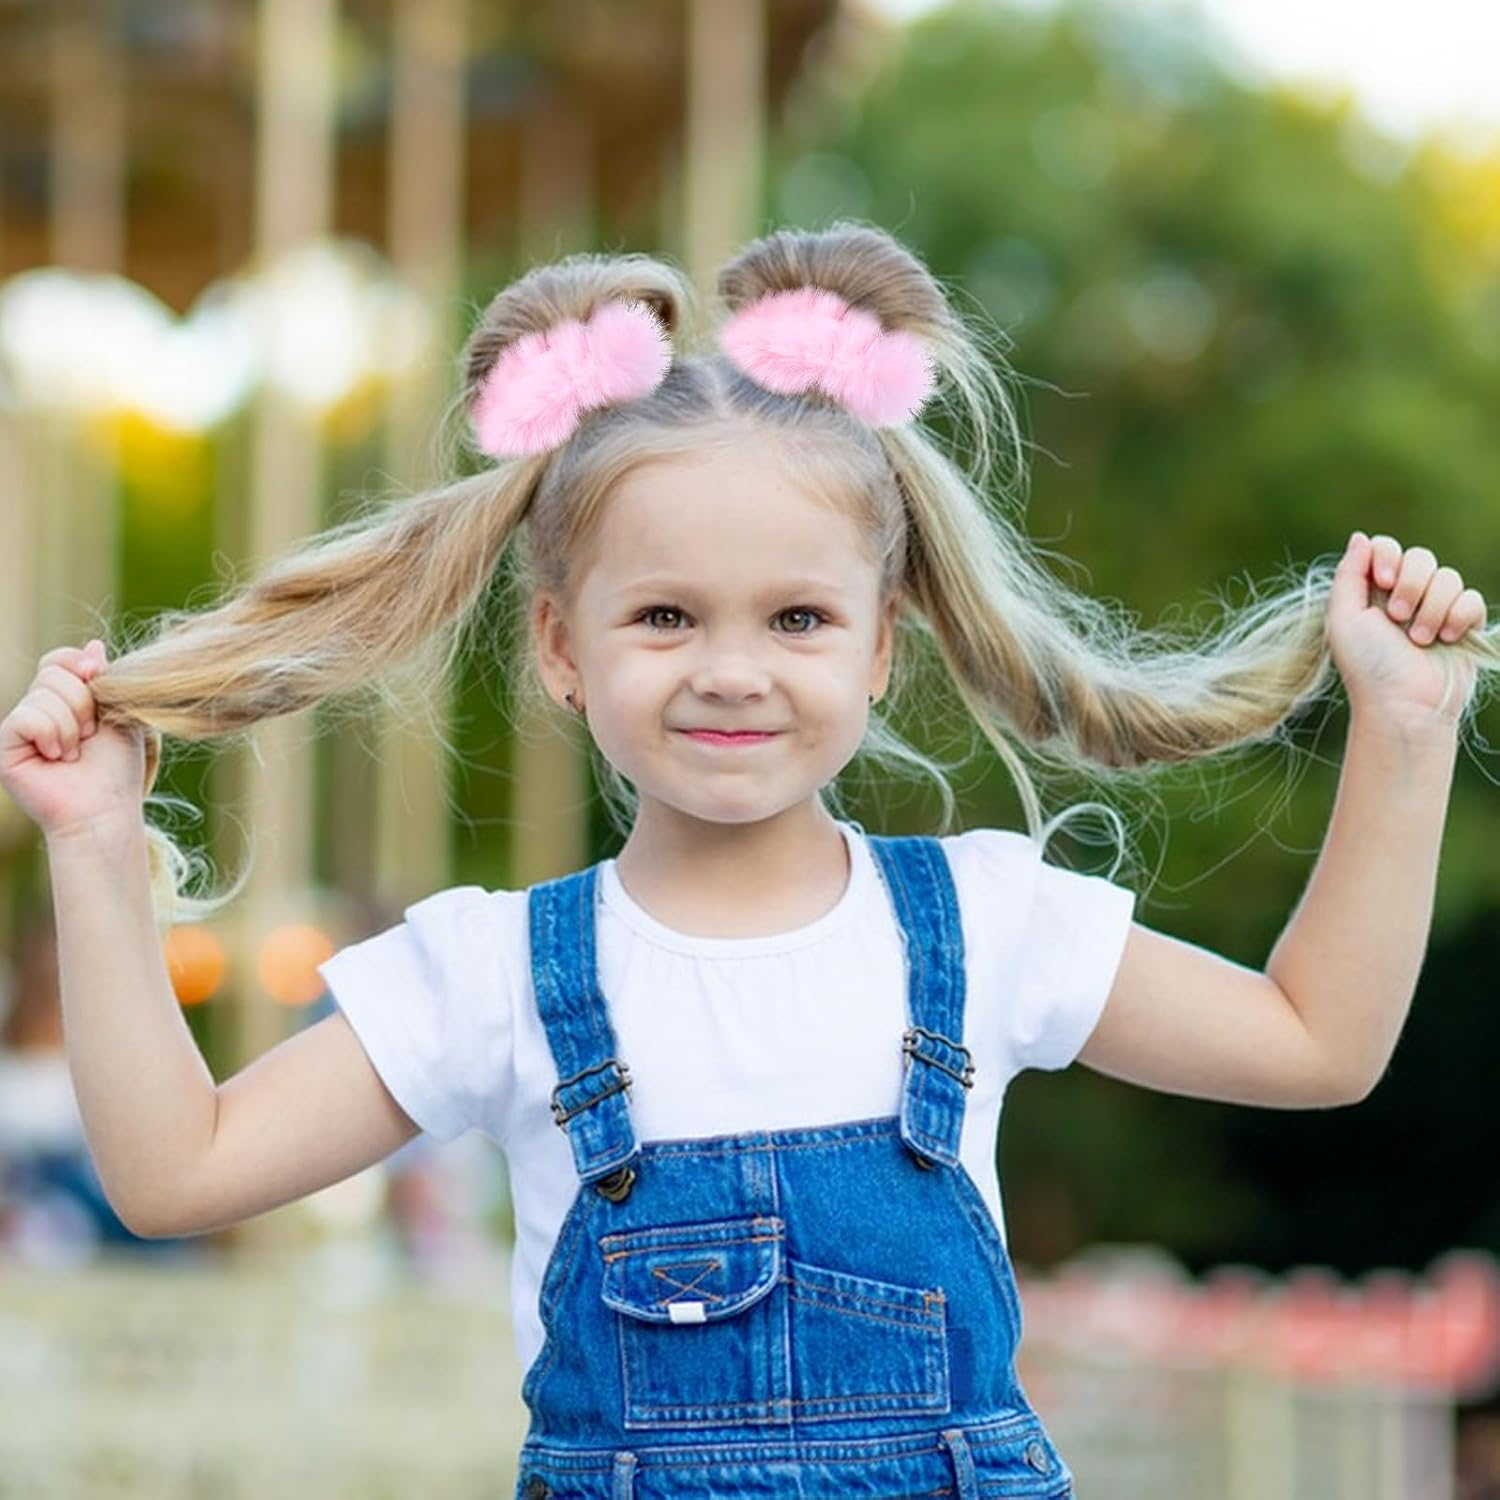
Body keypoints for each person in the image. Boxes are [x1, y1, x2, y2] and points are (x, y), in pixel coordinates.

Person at [0, 221, 1494, 1499]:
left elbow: (1320, 1045)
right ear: (561, 648)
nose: (732, 671)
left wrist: (1406, 733)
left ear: (882, 644)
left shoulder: (978, 921)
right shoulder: (496, 970)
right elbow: (173, 1175)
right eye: (664, 616)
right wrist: (93, 844)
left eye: (796, 619)